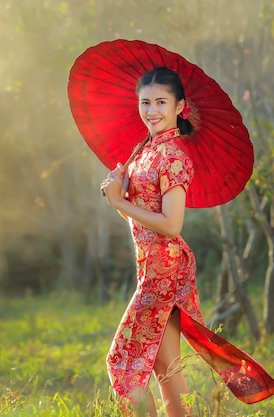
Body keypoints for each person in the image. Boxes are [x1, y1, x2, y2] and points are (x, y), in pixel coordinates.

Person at [99, 66, 204, 417]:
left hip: (166, 267)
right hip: (152, 267)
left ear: (180, 106)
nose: (152, 111)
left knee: (124, 358)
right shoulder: (144, 150)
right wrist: (118, 197)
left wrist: (119, 201)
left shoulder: (173, 154)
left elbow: (172, 225)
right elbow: (136, 220)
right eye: (145, 102)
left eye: (161, 102)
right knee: (163, 364)